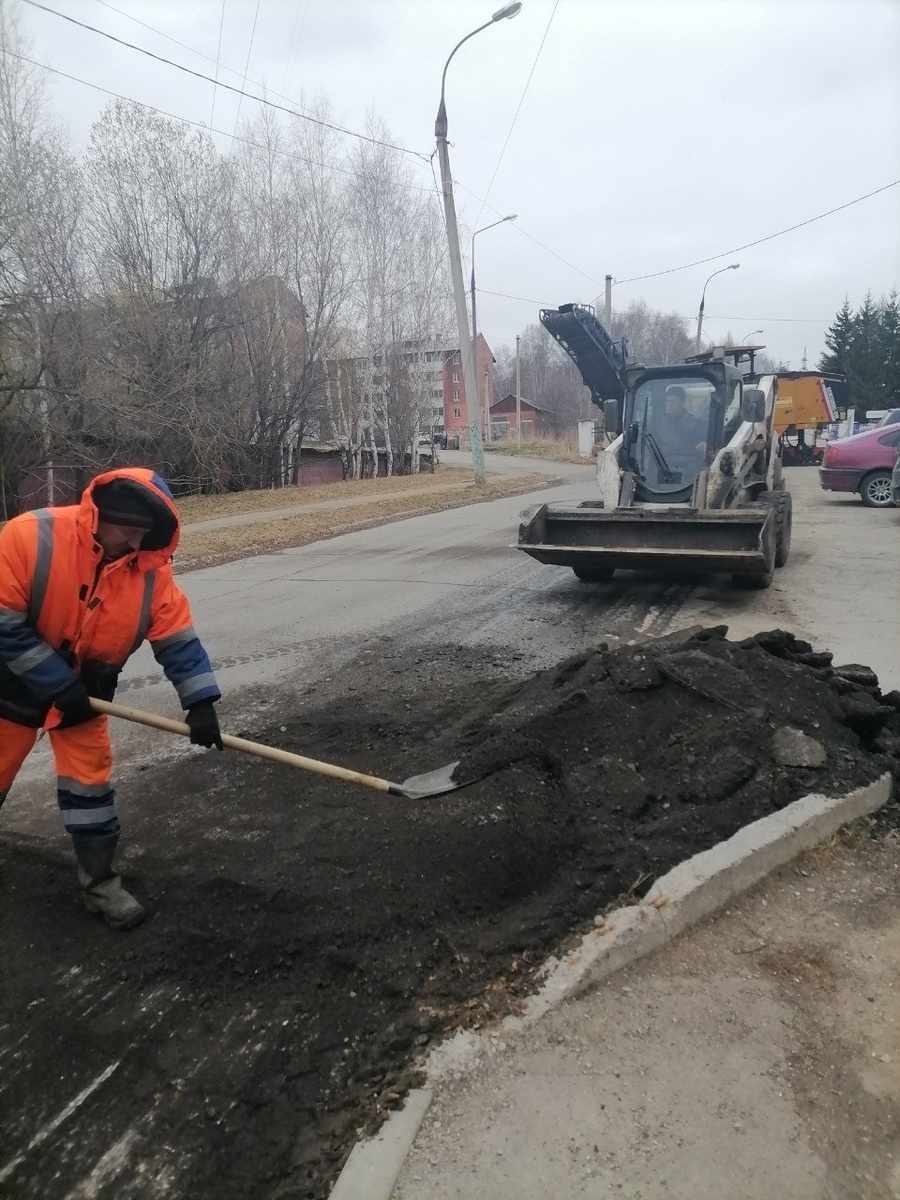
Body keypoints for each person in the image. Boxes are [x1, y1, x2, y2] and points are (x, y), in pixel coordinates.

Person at [0, 468, 223, 930]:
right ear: (100, 517)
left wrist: (200, 702)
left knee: (91, 788)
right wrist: (55, 681)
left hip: (87, 697)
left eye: (145, 534)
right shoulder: (29, 537)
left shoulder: (150, 571)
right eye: (129, 531)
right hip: (11, 685)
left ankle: (100, 885)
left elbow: (176, 638)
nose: (136, 544)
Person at [656, 385, 708, 457]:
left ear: (683, 402)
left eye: (674, 401)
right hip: (663, 461)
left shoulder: (695, 424)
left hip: (688, 461)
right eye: (668, 401)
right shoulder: (659, 424)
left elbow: (703, 445)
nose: (671, 404)